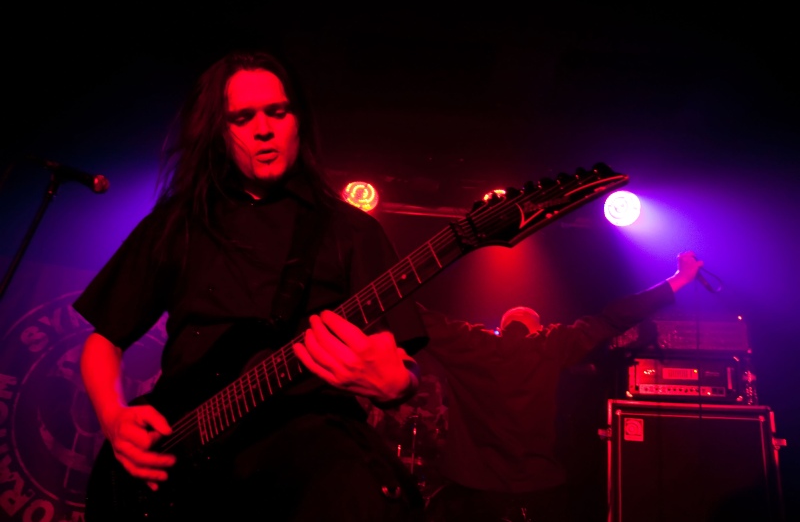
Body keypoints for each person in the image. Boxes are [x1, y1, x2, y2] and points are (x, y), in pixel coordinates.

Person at [74, 49, 428, 521]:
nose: (263, 128)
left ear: (297, 121)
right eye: (242, 118)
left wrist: (395, 383)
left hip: (308, 441)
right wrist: (115, 420)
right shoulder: (179, 223)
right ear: (219, 134)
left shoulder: (351, 231)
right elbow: (103, 340)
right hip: (181, 451)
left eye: (276, 112)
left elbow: (401, 363)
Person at [417, 251, 704, 522]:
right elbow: (613, 319)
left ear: (499, 328)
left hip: (473, 490)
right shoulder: (552, 345)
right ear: (538, 329)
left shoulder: (470, 344)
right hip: (539, 487)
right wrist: (680, 278)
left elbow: (420, 320)